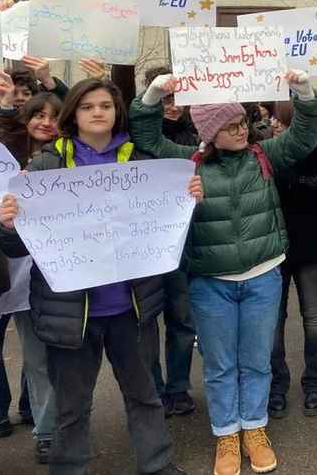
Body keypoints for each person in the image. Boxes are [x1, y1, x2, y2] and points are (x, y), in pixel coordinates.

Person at [0, 77, 196, 475]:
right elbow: (16, 248)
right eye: (88, 106)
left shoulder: (140, 162)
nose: (98, 112)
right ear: (75, 113)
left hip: (131, 307)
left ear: (117, 111)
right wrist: (8, 225)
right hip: (70, 313)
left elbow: (169, 226)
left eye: (105, 105)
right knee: (72, 406)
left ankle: (158, 465)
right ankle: (69, 469)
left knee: (144, 396)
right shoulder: (46, 164)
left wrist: (187, 198)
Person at [129, 70, 317, 475]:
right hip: (209, 284)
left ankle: (254, 429)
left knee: (256, 360)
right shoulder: (188, 165)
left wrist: (304, 92)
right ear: (210, 132)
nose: (241, 131)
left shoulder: (264, 155)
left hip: (263, 277)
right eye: (231, 126)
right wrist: (152, 94)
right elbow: (147, 140)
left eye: (242, 123)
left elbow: (305, 135)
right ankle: (226, 435)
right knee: (220, 365)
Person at [0, 73, 62, 464]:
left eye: (54, 115)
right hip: (16, 274)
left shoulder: (71, 158)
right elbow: (5, 137)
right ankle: (46, 432)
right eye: (38, 115)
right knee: (34, 357)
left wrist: (53, 82)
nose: (45, 122)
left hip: (60, 269)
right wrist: (4, 107)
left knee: (53, 359)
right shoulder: (12, 157)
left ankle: (44, 419)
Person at [267, 100, 317, 419]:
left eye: (282, 120)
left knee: (315, 316)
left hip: (313, 245)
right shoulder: (264, 149)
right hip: (272, 249)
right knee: (272, 321)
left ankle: (316, 383)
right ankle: (276, 385)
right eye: (274, 120)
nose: (277, 126)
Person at [141, 67, 198, 418]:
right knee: (144, 324)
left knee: (181, 320)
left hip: (181, 244)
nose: (172, 105)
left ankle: (177, 387)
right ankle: (152, 388)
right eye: (165, 98)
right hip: (143, 246)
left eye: (177, 98)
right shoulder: (136, 137)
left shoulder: (196, 138)